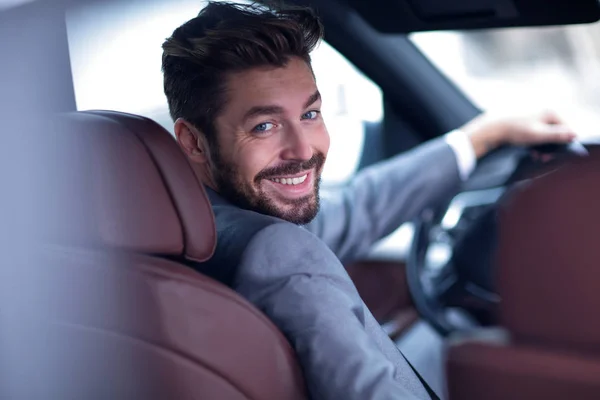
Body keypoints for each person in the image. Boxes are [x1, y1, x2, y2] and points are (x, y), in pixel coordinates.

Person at [161, 2, 575, 399]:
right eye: (265, 125)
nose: (303, 149)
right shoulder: (279, 252)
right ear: (193, 142)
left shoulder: (193, 230)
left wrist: (479, 137)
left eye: (309, 114)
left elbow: (356, 210)